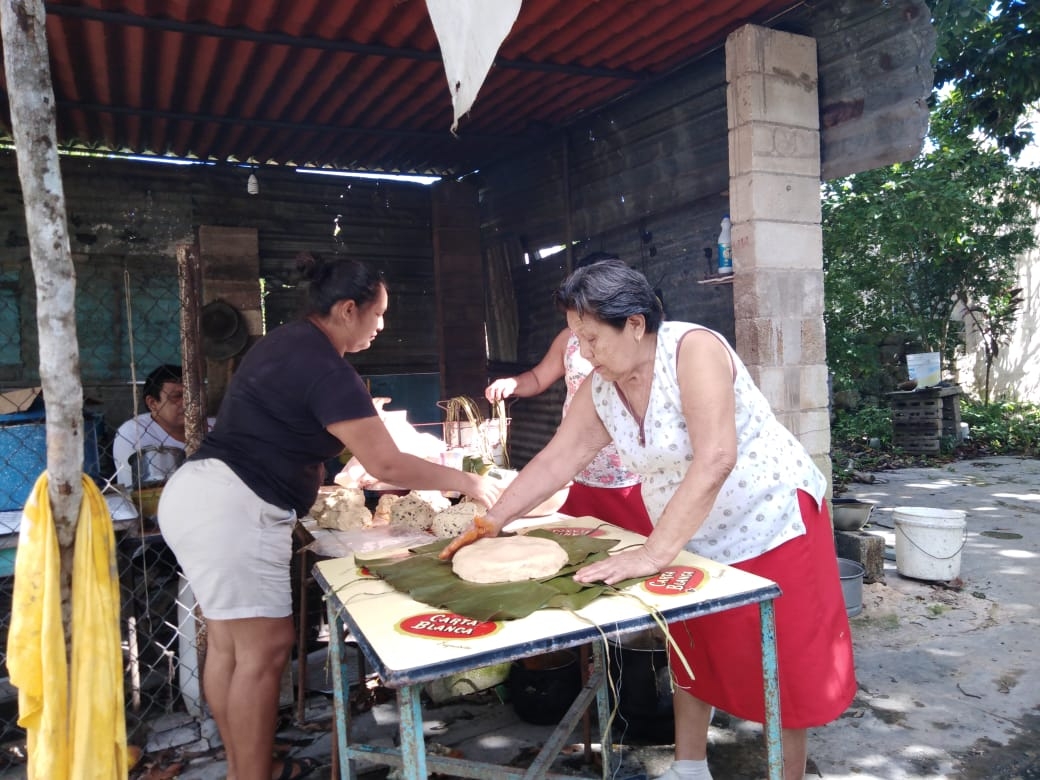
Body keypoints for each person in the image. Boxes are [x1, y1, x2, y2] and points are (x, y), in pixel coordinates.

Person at [446, 260, 856, 780]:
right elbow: (557, 458)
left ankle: (788, 774)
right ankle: (690, 767)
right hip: (691, 526)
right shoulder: (602, 386)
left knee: (780, 656)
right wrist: (493, 519)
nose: (586, 354)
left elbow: (716, 458)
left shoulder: (693, 350)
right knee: (692, 642)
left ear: (635, 323)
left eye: (593, 340)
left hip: (770, 518)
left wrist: (655, 553)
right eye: (578, 340)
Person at [157, 254, 505, 780]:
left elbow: (332, 441)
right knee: (266, 649)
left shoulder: (286, 343)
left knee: (231, 647)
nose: (383, 325)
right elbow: (385, 461)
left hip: (198, 496)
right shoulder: (326, 366)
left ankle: (246, 768)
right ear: (348, 310)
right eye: (379, 314)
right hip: (236, 507)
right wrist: (471, 482)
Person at [484, 253, 653, 535]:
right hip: (578, 472)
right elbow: (539, 379)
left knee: (632, 545)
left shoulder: (670, 351)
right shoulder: (574, 347)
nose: (587, 352)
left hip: (629, 477)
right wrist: (513, 383)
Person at [111, 364, 213, 488]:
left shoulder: (215, 426)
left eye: (193, 395)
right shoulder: (134, 432)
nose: (188, 402)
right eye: (177, 397)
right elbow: (147, 488)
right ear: (153, 403)